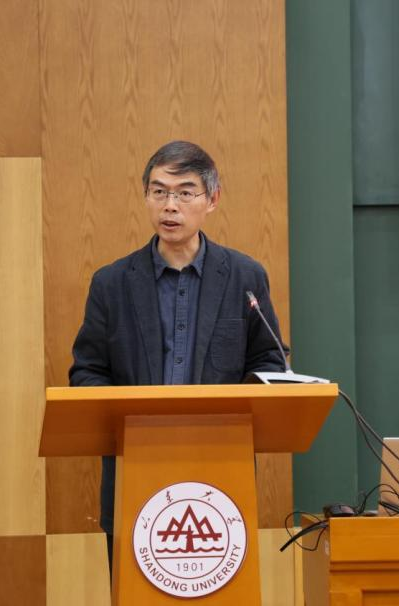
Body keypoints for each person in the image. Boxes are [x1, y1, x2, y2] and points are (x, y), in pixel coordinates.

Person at [68, 140, 288, 565]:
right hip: (136, 470)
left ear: (212, 199)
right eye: (159, 192)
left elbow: (269, 362)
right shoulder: (112, 283)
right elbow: (87, 372)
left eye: (185, 193)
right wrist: (127, 416)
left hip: (221, 472)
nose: (170, 206)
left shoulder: (245, 277)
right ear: (146, 197)